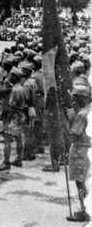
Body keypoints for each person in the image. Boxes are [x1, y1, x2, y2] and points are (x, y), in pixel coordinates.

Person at [0, 67, 33, 171]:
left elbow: (11, 106)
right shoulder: (22, 88)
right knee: (19, 138)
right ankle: (19, 159)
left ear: (14, 77)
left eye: (11, 75)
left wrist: (6, 118)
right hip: (21, 115)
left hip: (14, 116)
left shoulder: (15, 90)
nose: (9, 77)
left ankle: (6, 162)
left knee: (7, 138)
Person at [66, 75, 90, 222]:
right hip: (88, 148)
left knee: (79, 181)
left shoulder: (81, 114)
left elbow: (74, 132)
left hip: (80, 148)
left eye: (75, 98)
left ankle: (85, 209)